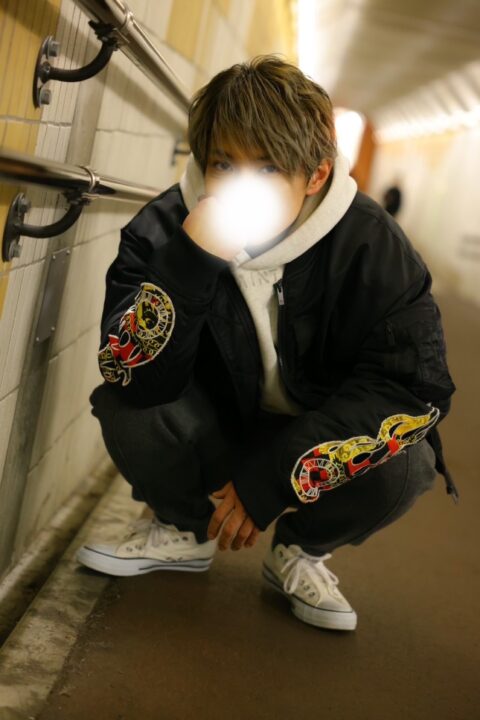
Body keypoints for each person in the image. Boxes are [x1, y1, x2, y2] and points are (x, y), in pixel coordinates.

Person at [76, 54, 457, 632]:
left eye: (268, 167)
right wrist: (188, 263)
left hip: (316, 429)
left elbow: (412, 390)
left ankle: (300, 550)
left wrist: (275, 480)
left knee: (407, 462)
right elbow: (132, 372)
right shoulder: (165, 226)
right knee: (128, 405)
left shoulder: (373, 247)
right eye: (224, 163)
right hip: (215, 423)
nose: (239, 187)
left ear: (316, 176)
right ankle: (181, 528)